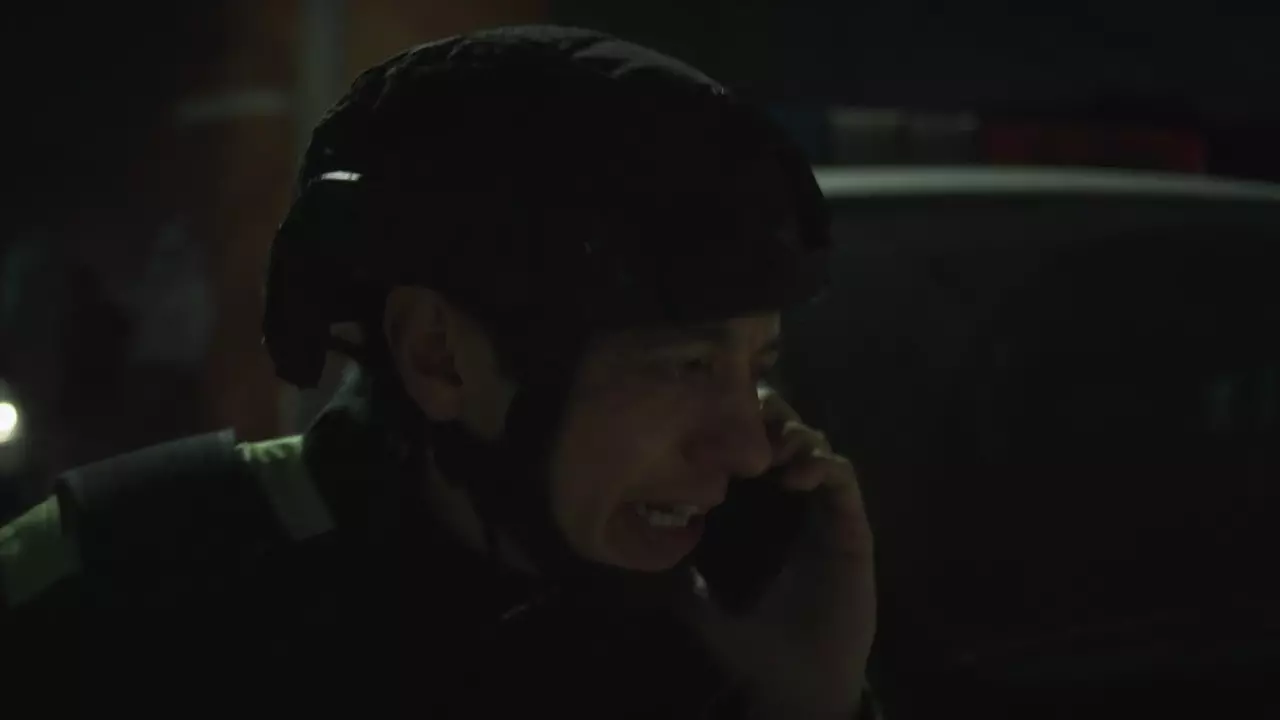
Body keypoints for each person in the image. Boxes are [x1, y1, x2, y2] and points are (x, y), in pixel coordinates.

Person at [0, 26, 877, 718]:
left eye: (757, 368)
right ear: (439, 355)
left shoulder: (717, 644)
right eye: (684, 365)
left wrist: (810, 702)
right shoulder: (111, 597)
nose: (747, 450)